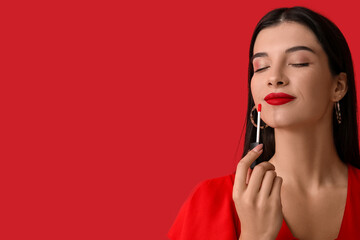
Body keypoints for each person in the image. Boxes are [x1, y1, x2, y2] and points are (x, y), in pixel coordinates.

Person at [168, 6, 360, 240]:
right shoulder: (209, 202)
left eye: (298, 63)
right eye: (261, 67)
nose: (274, 78)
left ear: (338, 87)